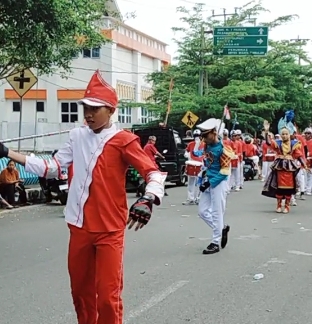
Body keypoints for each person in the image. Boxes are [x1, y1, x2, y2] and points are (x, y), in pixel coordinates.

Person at [0, 70, 166, 324]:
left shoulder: (124, 141)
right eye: (85, 108)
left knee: (108, 298)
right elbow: (51, 167)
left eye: (95, 109)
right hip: (79, 228)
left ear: (110, 111)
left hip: (110, 230)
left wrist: (147, 199)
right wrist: (7, 152)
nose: (88, 114)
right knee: (81, 294)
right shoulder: (77, 136)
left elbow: (153, 172)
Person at [195, 118, 233, 255]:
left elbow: (225, 171)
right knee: (202, 211)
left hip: (219, 182)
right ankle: (222, 228)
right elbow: (205, 162)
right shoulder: (207, 146)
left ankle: (215, 242)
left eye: (206, 135)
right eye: (202, 136)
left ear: (214, 132)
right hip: (208, 179)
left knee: (217, 212)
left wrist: (210, 182)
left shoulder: (224, 149)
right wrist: (203, 179)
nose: (204, 139)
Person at [261, 118, 306, 213]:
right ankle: (278, 205)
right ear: (281, 135)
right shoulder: (278, 143)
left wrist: (304, 165)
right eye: (283, 134)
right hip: (280, 166)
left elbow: (299, 155)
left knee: (289, 188)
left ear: (289, 134)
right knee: (279, 187)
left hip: (290, 167)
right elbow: (269, 142)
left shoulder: (294, 144)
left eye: (286, 134)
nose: (285, 136)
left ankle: (287, 206)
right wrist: (266, 131)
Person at [183, 129, 205, 205]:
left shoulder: (204, 144)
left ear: (200, 136)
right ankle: (190, 198)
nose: (197, 137)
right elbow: (187, 151)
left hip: (200, 165)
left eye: (198, 136)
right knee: (190, 183)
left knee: (199, 183)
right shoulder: (190, 144)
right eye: (195, 136)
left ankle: (198, 198)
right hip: (191, 163)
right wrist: (186, 154)